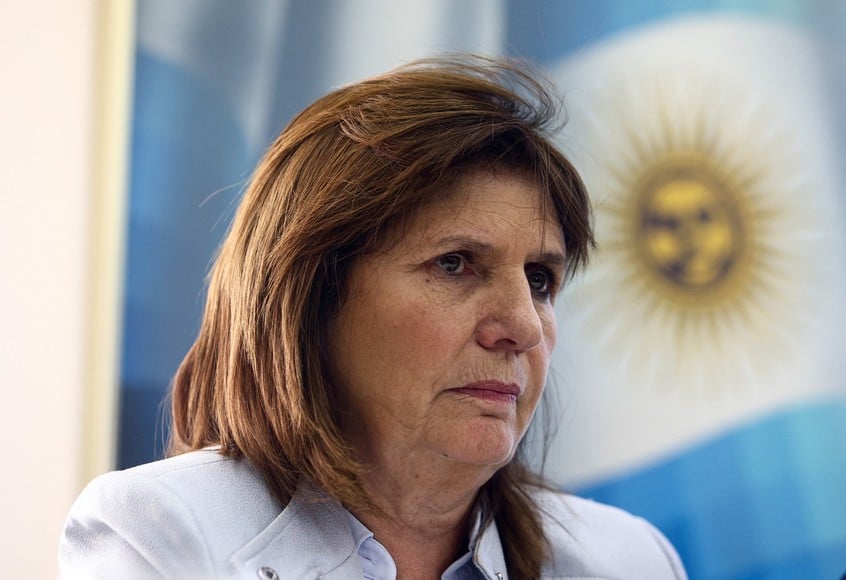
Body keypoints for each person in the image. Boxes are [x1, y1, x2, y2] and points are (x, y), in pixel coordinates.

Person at [59, 55, 687, 580]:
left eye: (540, 279)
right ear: (312, 295)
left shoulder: (630, 560)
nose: (522, 327)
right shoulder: (159, 535)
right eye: (456, 264)